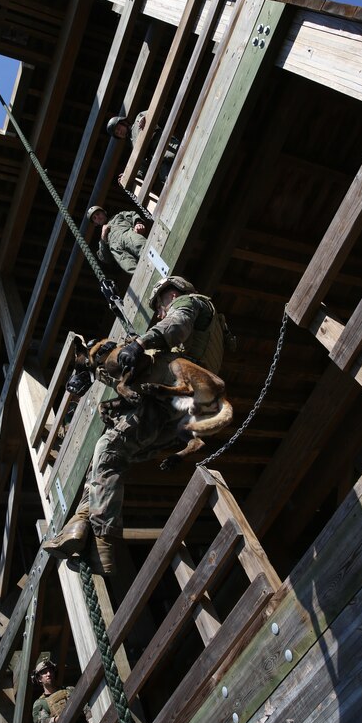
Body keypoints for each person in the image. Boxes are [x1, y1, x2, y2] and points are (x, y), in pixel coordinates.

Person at [43, 276, 232, 576]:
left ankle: (102, 545)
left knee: (108, 447)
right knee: (108, 454)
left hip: (175, 388)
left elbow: (176, 326)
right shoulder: (213, 330)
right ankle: (80, 523)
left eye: (159, 305)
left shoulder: (190, 302)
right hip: (175, 412)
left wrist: (141, 343)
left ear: (172, 293)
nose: (158, 313)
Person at [107, 111, 180, 185]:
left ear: (124, 123)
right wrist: (127, 176)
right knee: (171, 182)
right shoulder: (133, 148)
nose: (119, 132)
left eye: (119, 128)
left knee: (183, 155)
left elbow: (158, 111)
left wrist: (144, 118)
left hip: (167, 145)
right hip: (160, 162)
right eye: (117, 133)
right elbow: (141, 168)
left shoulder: (138, 119)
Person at [87, 205, 148, 275]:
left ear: (104, 212)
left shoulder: (118, 216)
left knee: (145, 249)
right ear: (95, 223)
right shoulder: (102, 241)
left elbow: (132, 215)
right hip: (120, 253)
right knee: (130, 267)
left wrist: (138, 223)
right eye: (94, 218)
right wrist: (103, 236)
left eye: (98, 214)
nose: (97, 217)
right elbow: (105, 258)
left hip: (130, 237)